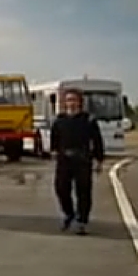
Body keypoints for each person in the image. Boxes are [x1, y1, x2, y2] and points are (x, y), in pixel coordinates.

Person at [49, 88, 105, 235]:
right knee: (61, 189)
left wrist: (99, 160)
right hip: (64, 160)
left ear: (80, 102)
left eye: (74, 100)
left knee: (83, 192)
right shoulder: (59, 120)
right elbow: (54, 139)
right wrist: (54, 152)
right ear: (64, 102)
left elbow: (97, 141)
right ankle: (69, 213)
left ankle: (82, 220)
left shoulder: (88, 120)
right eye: (68, 100)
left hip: (82, 159)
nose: (71, 103)